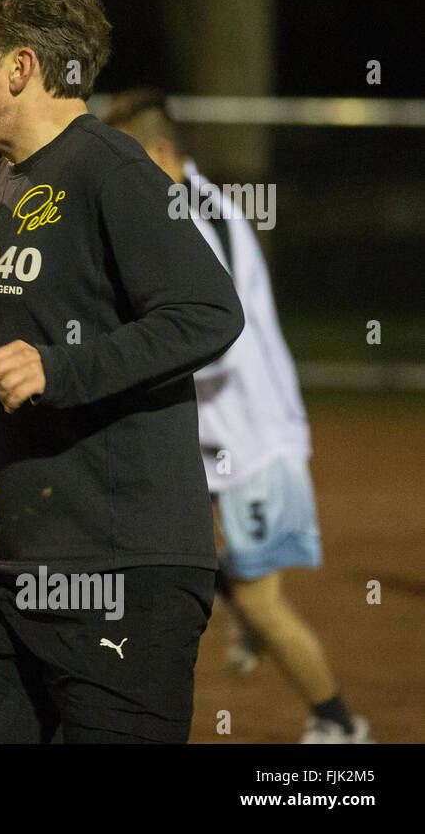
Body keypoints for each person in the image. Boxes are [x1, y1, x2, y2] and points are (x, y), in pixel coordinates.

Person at [0, 0, 245, 743]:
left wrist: (61, 367)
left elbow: (208, 312)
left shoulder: (112, 171)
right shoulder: (1, 185)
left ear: (21, 68)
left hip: (120, 577)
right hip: (5, 570)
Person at [102, 88, 372, 744]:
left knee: (262, 601)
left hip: (250, 445)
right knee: (170, 554)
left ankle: (338, 722)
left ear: (163, 154)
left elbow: (213, 336)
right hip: (221, 442)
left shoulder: (191, 215)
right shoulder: (186, 207)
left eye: (129, 164)